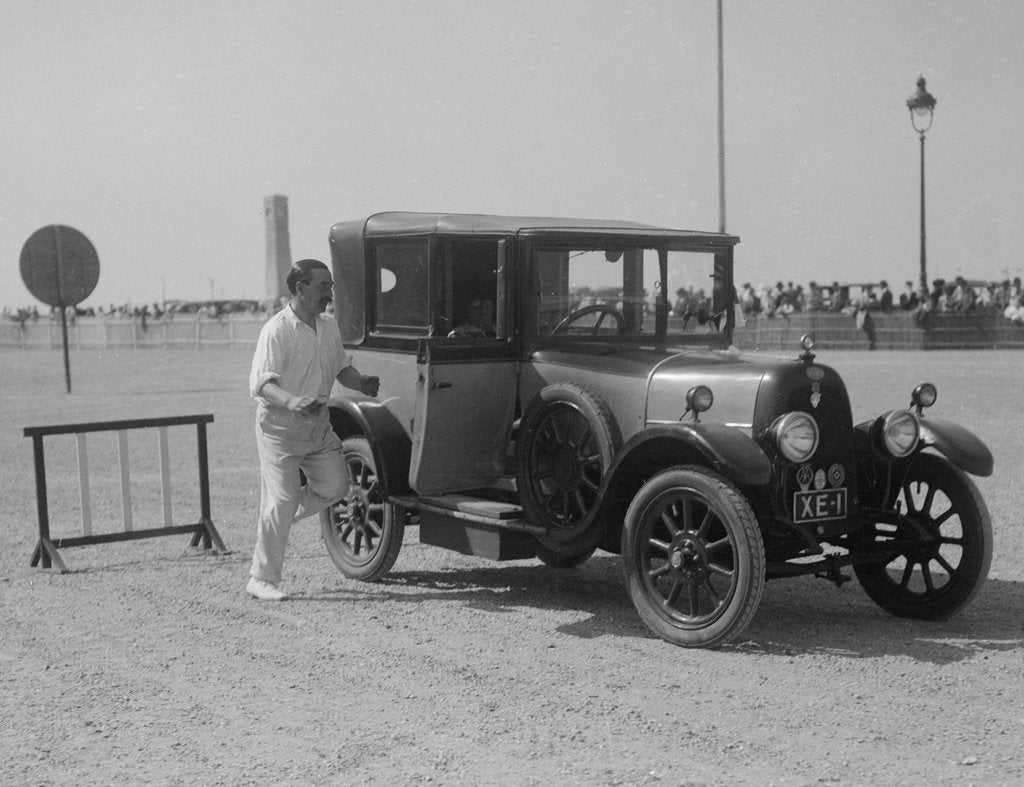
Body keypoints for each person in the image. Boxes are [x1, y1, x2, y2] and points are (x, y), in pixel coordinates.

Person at [247, 258, 380, 601]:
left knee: (336, 487)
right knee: (281, 501)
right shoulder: (276, 330)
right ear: (299, 288)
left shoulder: (328, 327)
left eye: (331, 286)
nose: (329, 293)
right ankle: (262, 580)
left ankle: (278, 519)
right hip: (280, 430)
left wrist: (362, 382)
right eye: (323, 286)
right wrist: (290, 401)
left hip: (318, 429)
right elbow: (262, 385)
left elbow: (341, 369)